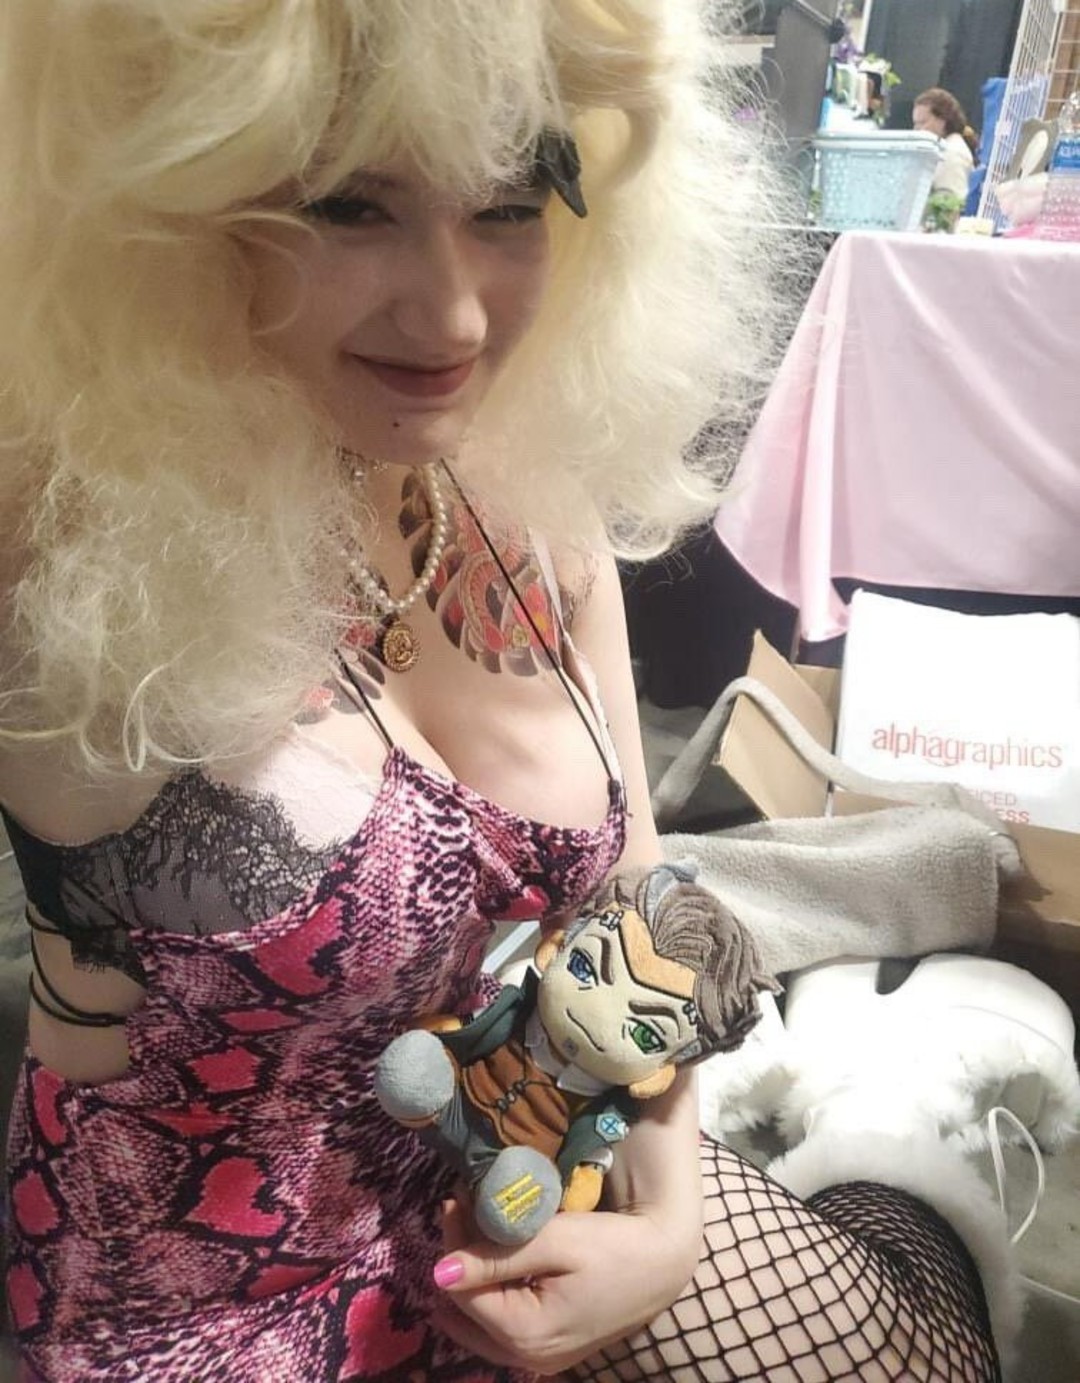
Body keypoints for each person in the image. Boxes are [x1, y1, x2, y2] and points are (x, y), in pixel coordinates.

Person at [0, 2, 1017, 1379]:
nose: (455, 314)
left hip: (508, 1158)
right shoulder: (49, 533)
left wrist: (664, 1218)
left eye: (511, 202)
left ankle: (896, 1134)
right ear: (167, 195)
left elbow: (634, 892)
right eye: (347, 203)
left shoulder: (521, 484)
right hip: (198, 1305)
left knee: (931, 1350)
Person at [914, 88, 980, 201]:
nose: (917, 130)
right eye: (915, 124)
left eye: (922, 123)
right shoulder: (944, 150)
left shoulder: (950, 154)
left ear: (942, 121)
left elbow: (951, 204)